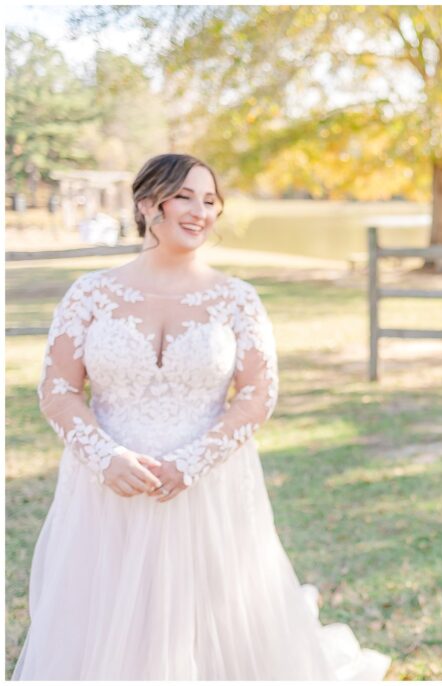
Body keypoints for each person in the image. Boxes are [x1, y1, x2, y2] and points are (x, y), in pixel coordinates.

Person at [13, 154, 390, 680]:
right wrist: (106, 457)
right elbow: (58, 391)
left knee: (213, 623)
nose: (199, 211)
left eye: (210, 201)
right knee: (107, 622)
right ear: (148, 204)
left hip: (207, 485)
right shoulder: (90, 294)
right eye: (184, 196)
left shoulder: (237, 298)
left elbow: (257, 394)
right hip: (109, 487)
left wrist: (192, 462)